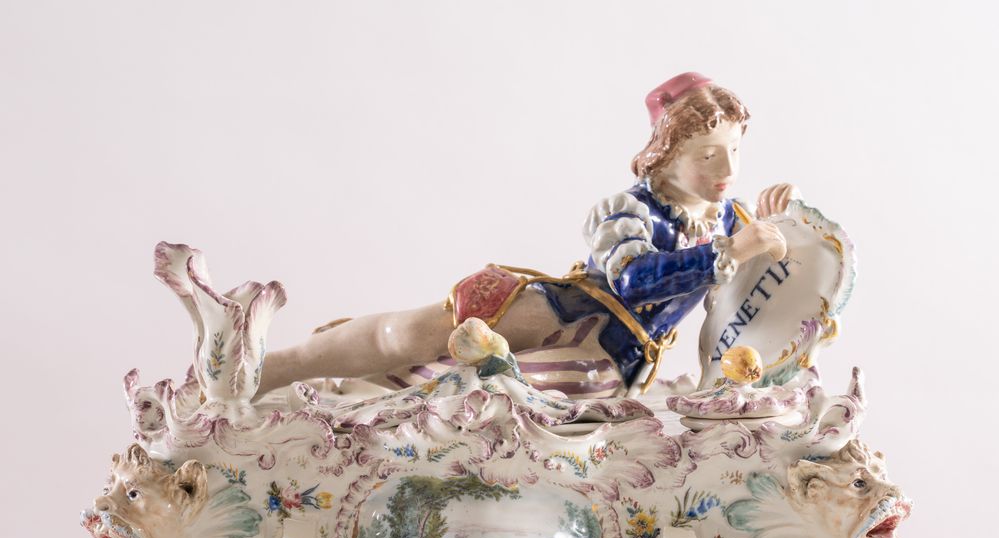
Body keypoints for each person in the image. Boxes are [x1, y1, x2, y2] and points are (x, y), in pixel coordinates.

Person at [256, 72, 795, 398]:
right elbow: (632, 280)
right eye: (708, 155)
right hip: (560, 313)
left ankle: (349, 402)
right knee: (411, 335)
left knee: (469, 390)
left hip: (612, 363)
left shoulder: (729, 218)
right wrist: (733, 250)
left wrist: (776, 228)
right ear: (666, 155)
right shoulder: (629, 210)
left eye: (735, 149)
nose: (728, 168)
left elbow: (738, 300)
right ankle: (271, 368)